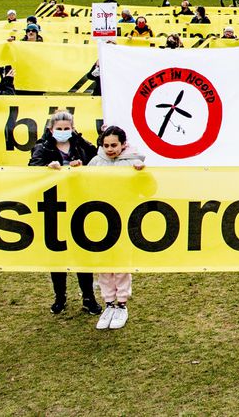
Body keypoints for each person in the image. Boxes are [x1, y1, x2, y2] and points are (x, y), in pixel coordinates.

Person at [30, 110, 102, 315]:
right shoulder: (42, 148)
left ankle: (88, 297)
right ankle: (60, 297)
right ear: (51, 130)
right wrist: (46, 167)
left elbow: (98, 159)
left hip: (79, 204)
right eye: (59, 129)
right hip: (54, 205)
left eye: (66, 128)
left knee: (82, 252)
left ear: (72, 128)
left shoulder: (81, 145)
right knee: (57, 255)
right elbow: (31, 169)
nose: (63, 132)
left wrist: (82, 166)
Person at [88, 126, 146, 330]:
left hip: (123, 216)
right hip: (100, 217)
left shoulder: (134, 162)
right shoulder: (95, 162)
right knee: (103, 262)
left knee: (121, 262)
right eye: (106, 145)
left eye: (114, 145)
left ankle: (122, 304)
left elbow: (148, 189)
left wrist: (141, 174)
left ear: (123, 144)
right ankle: (109, 304)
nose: (110, 149)